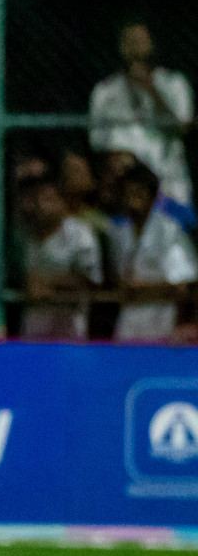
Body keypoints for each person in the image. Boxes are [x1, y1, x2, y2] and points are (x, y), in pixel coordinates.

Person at [89, 22, 193, 213]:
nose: (134, 46)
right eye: (128, 41)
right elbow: (97, 142)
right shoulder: (104, 91)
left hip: (170, 187)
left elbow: (181, 128)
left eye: (139, 40)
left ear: (152, 43)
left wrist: (150, 88)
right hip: (125, 192)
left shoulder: (174, 83)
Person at [107, 162, 198, 344]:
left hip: (161, 318)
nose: (132, 201)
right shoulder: (119, 232)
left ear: (152, 196)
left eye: (138, 194)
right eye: (127, 194)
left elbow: (184, 285)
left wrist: (144, 289)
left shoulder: (169, 230)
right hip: (128, 320)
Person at [16, 176, 102, 342]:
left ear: (63, 202)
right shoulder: (25, 236)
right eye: (37, 199)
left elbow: (92, 282)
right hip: (34, 331)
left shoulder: (80, 234)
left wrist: (48, 286)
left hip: (69, 330)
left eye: (48, 199)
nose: (41, 206)